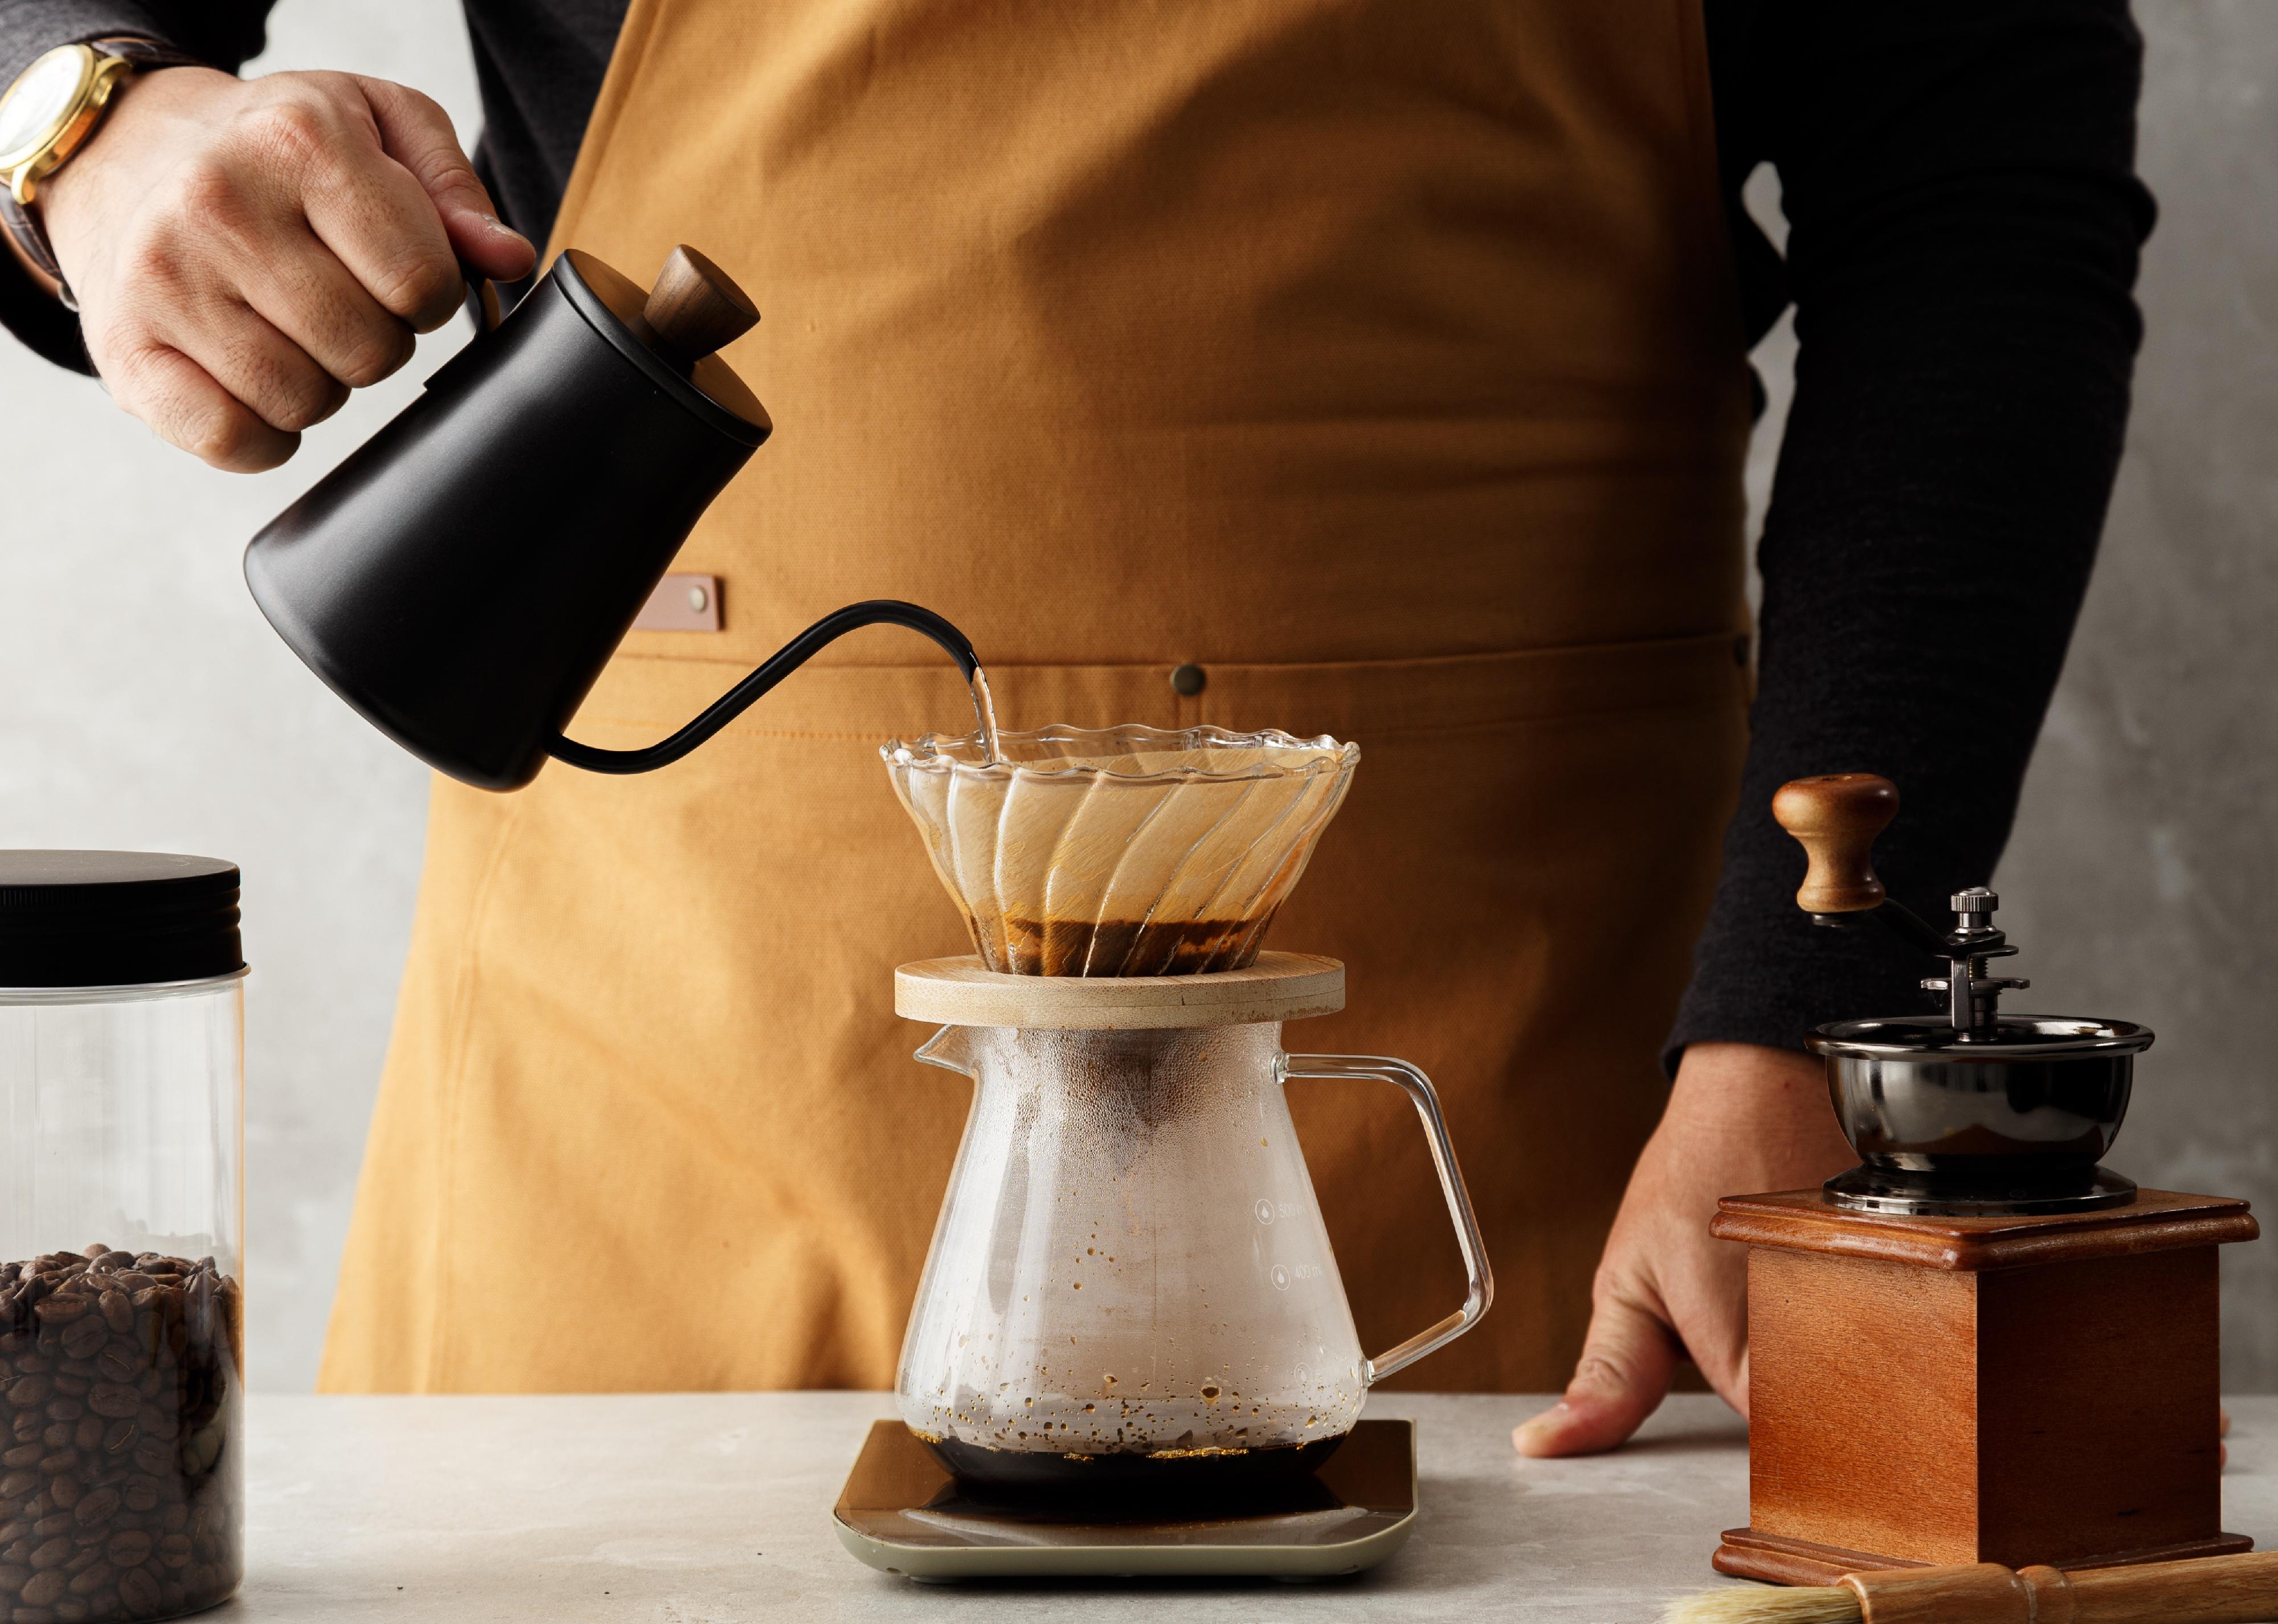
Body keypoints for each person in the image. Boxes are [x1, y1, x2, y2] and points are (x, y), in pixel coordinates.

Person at [0, 0, 2152, 1453]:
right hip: (660, 1125)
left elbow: (1980, 193)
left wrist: (1809, 1009)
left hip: (1526, 1193)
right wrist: (85, 120)